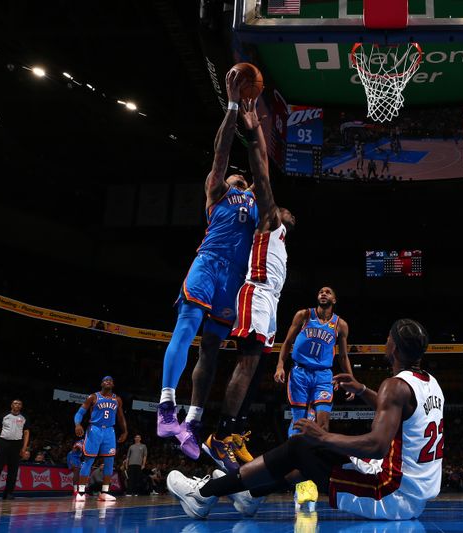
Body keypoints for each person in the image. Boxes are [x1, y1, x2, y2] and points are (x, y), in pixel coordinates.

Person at [167, 319, 444, 521]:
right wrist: (361, 390)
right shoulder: (430, 384)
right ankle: (252, 494)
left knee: (301, 446)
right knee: (317, 453)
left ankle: (203, 494)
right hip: (412, 496)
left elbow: (377, 445)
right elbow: (398, 412)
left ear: (393, 347)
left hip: (388, 495)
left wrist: (322, 436)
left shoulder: (394, 386)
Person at [157, 71, 261, 460]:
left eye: (242, 176)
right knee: (186, 327)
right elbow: (220, 152)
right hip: (209, 263)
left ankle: (193, 421)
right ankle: (166, 407)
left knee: (213, 350)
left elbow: (263, 168)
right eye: (235, 175)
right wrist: (233, 107)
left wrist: (255, 131)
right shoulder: (218, 191)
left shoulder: (255, 201)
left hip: (234, 279)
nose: (239, 176)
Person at [200, 98, 296, 472]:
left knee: (256, 366)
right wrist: (256, 131)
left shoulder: (282, 234)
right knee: (247, 361)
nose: (282, 208)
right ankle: (221, 435)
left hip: (270, 301)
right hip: (254, 292)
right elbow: (262, 173)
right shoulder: (267, 219)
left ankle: (237, 431)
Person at [274, 287, 354, 507]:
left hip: (323, 374)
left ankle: (311, 475)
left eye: (329, 292)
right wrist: (280, 365)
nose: (324, 293)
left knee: (323, 425)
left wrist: (351, 380)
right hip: (299, 371)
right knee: (300, 424)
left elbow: (344, 356)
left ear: (334, 299)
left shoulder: (340, 325)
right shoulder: (304, 315)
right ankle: (302, 482)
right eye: (321, 291)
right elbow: (288, 342)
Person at [73, 376, 128, 502]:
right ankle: (81, 492)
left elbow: (121, 417)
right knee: (89, 460)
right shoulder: (93, 397)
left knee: (109, 461)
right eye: (105, 380)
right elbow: (80, 413)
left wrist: (125, 431)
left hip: (109, 431)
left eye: (110, 381)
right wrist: (77, 424)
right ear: (101, 383)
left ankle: (104, 493)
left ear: (113, 385)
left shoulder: (117, 399)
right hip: (95, 429)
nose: (108, 381)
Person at [0, 399, 30, 500]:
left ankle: (9, 493)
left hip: (17, 444)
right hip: (3, 442)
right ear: (11, 405)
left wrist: (24, 447)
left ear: (21, 406)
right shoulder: (4, 415)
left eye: (19, 403)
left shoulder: (24, 418)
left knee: (13, 470)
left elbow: (26, 433)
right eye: (15, 403)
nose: (17, 405)